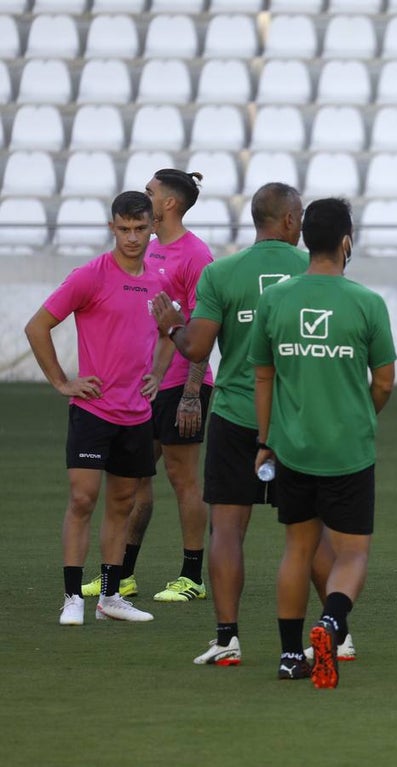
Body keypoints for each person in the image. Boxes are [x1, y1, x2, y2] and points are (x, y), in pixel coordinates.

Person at [153, 183, 350, 667]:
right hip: (296, 420)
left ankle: (227, 639)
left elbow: (197, 348)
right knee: (308, 533)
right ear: (290, 221)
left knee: (226, 530)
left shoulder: (221, 273)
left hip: (236, 415)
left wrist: (173, 325)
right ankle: (339, 635)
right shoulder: (314, 270)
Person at [249, 198, 396, 687]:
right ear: (346, 241)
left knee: (298, 549)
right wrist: (362, 415)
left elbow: (263, 377)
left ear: (306, 239)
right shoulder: (367, 303)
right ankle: (331, 623)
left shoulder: (275, 300)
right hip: (348, 451)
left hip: (293, 448)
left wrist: (266, 440)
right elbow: (385, 382)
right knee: (351, 554)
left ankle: (291, 656)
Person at [25, 191, 172, 625]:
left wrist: (158, 373)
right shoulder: (90, 276)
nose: (132, 237)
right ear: (112, 228)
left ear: (152, 228)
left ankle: (110, 597)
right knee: (83, 499)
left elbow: (171, 332)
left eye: (140, 228)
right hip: (93, 410)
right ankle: (73, 597)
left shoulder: (158, 283)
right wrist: (61, 381)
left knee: (122, 503)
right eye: (124, 229)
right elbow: (37, 326)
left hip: (137, 414)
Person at [82, 169, 215, 603]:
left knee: (182, 479)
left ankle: (191, 576)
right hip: (148, 387)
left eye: (150, 192)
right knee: (135, 479)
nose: (145, 196)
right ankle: (122, 575)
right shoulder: (149, 248)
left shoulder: (196, 255)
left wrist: (192, 394)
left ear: (169, 203)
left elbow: (204, 327)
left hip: (182, 386)